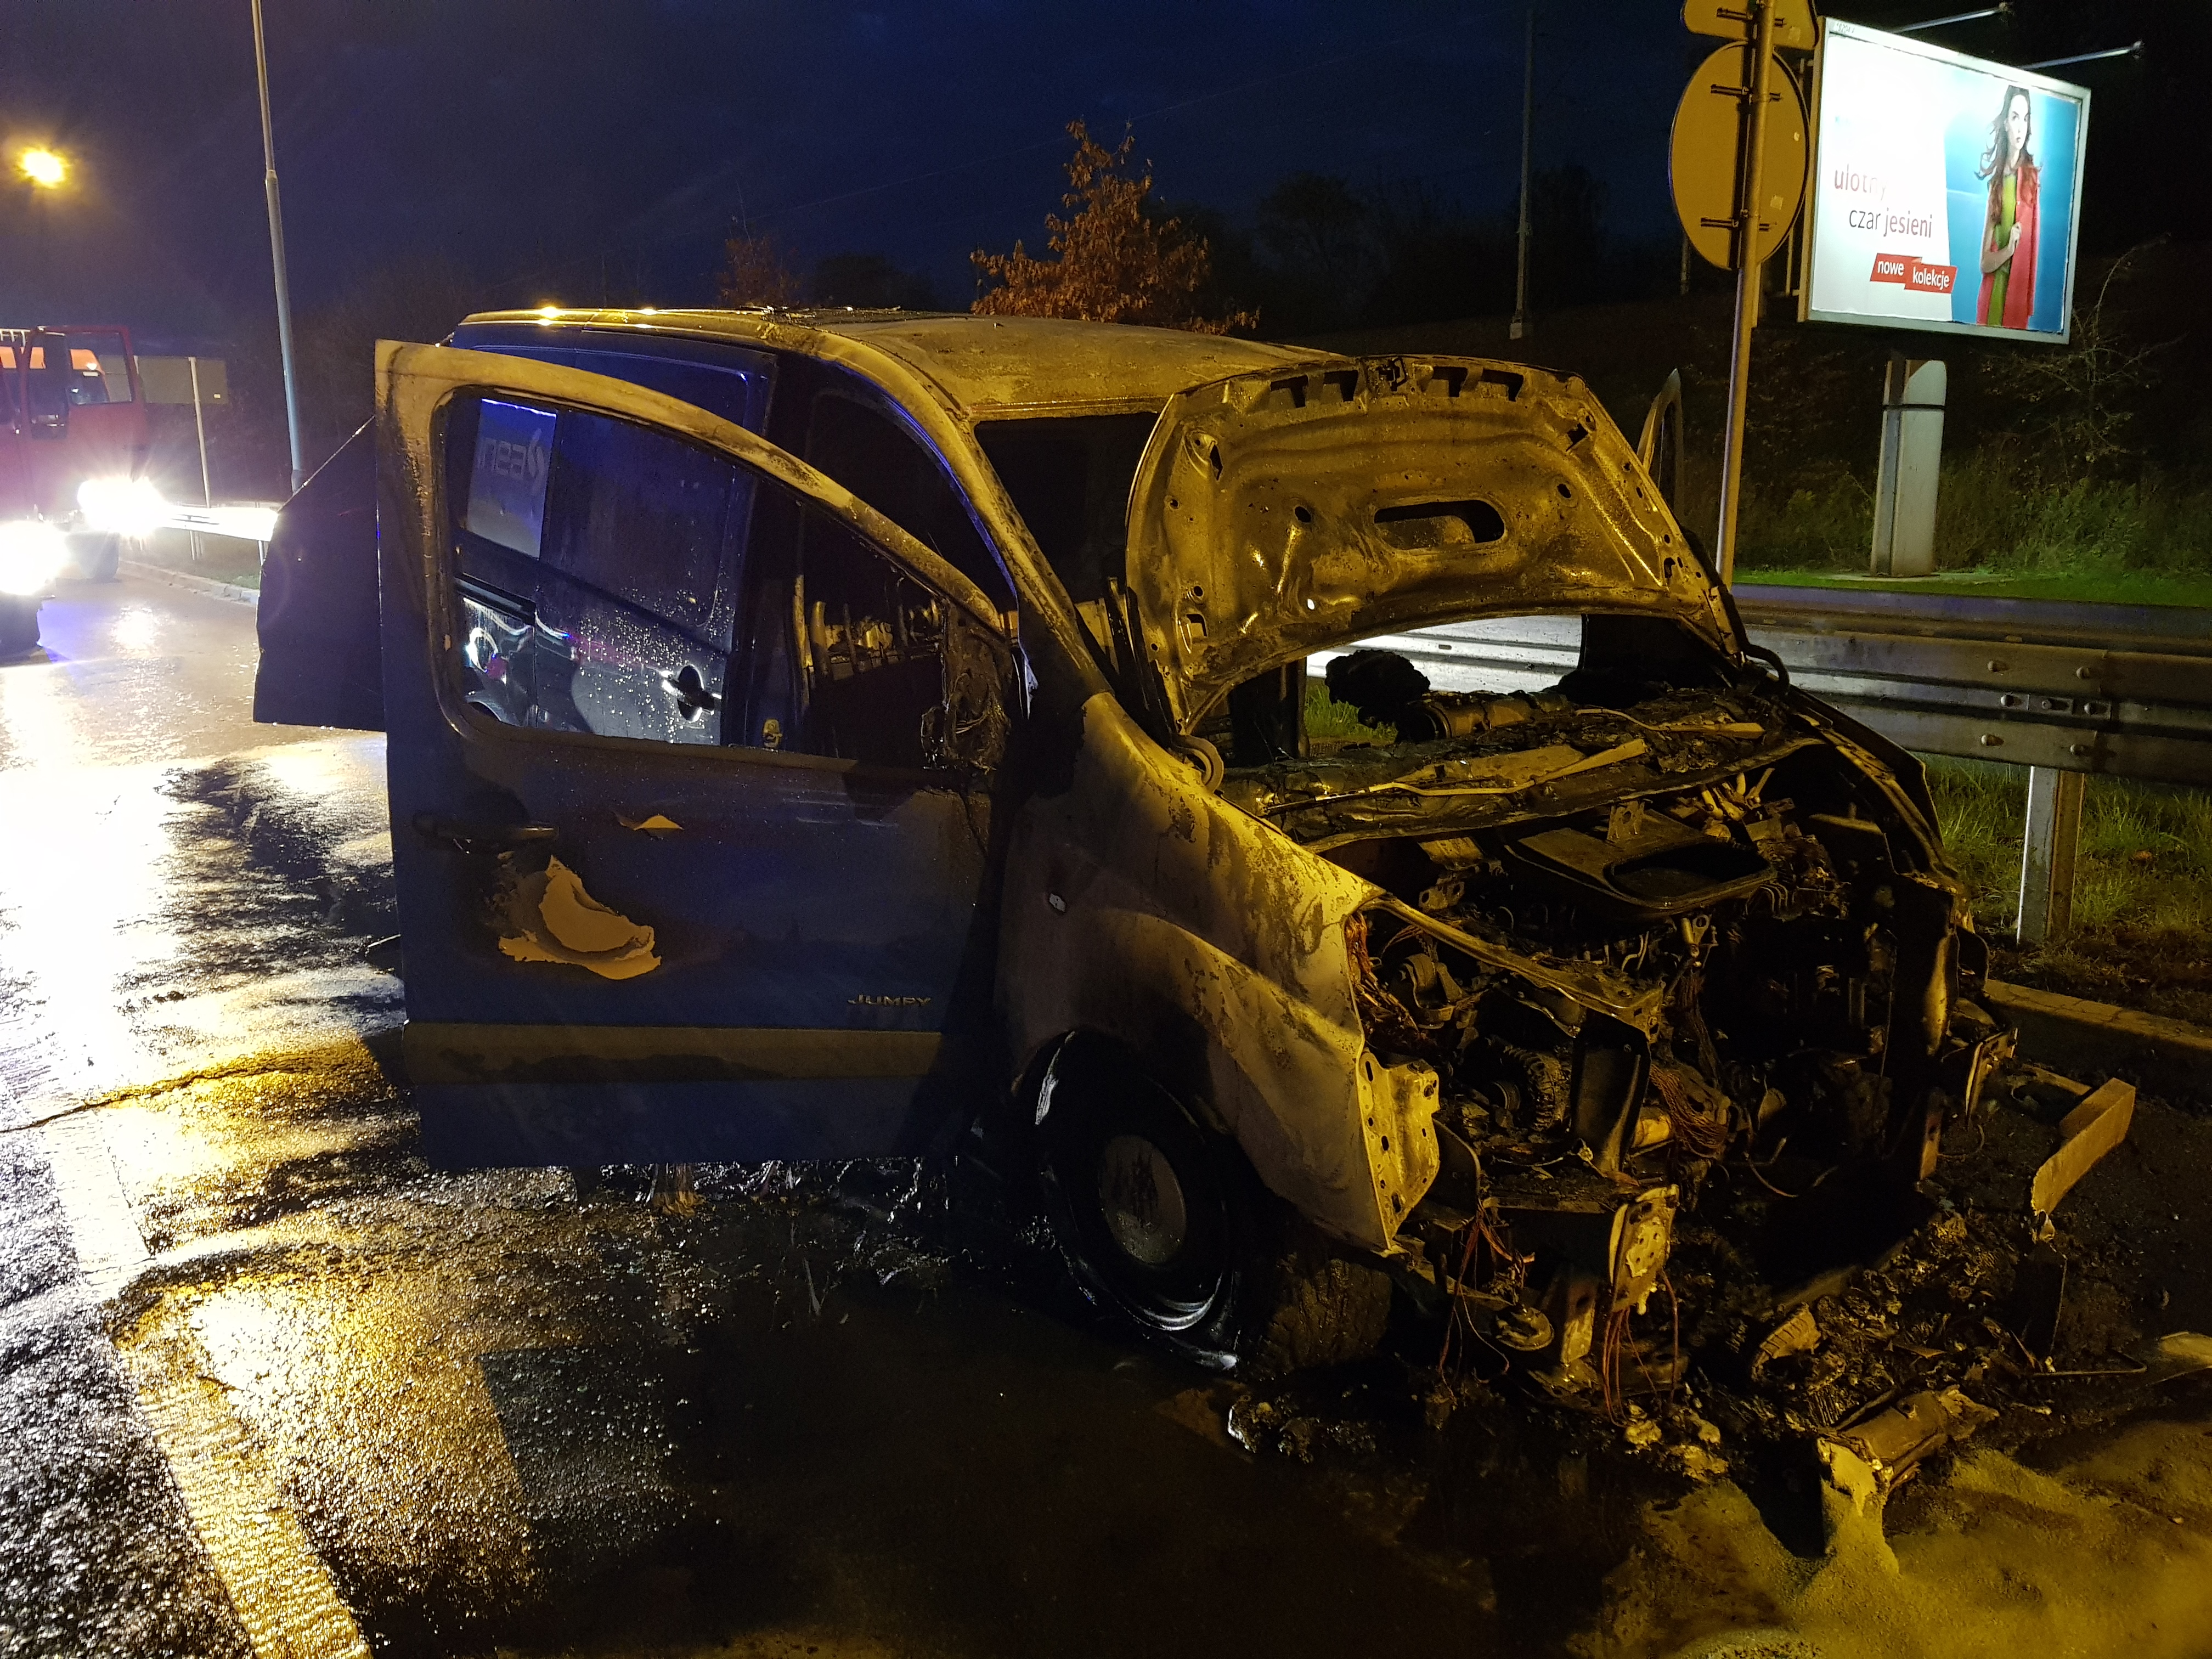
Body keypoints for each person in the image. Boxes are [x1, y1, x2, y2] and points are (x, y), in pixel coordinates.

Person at [1976, 85, 2039, 329]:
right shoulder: (1997, 185)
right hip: (1992, 300)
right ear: (2005, 124)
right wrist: (2009, 250)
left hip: (2016, 306)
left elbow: (2032, 257)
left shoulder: (2032, 181)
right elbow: (1984, 263)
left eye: (2025, 118)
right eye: (2015, 117)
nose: (2021, 127)